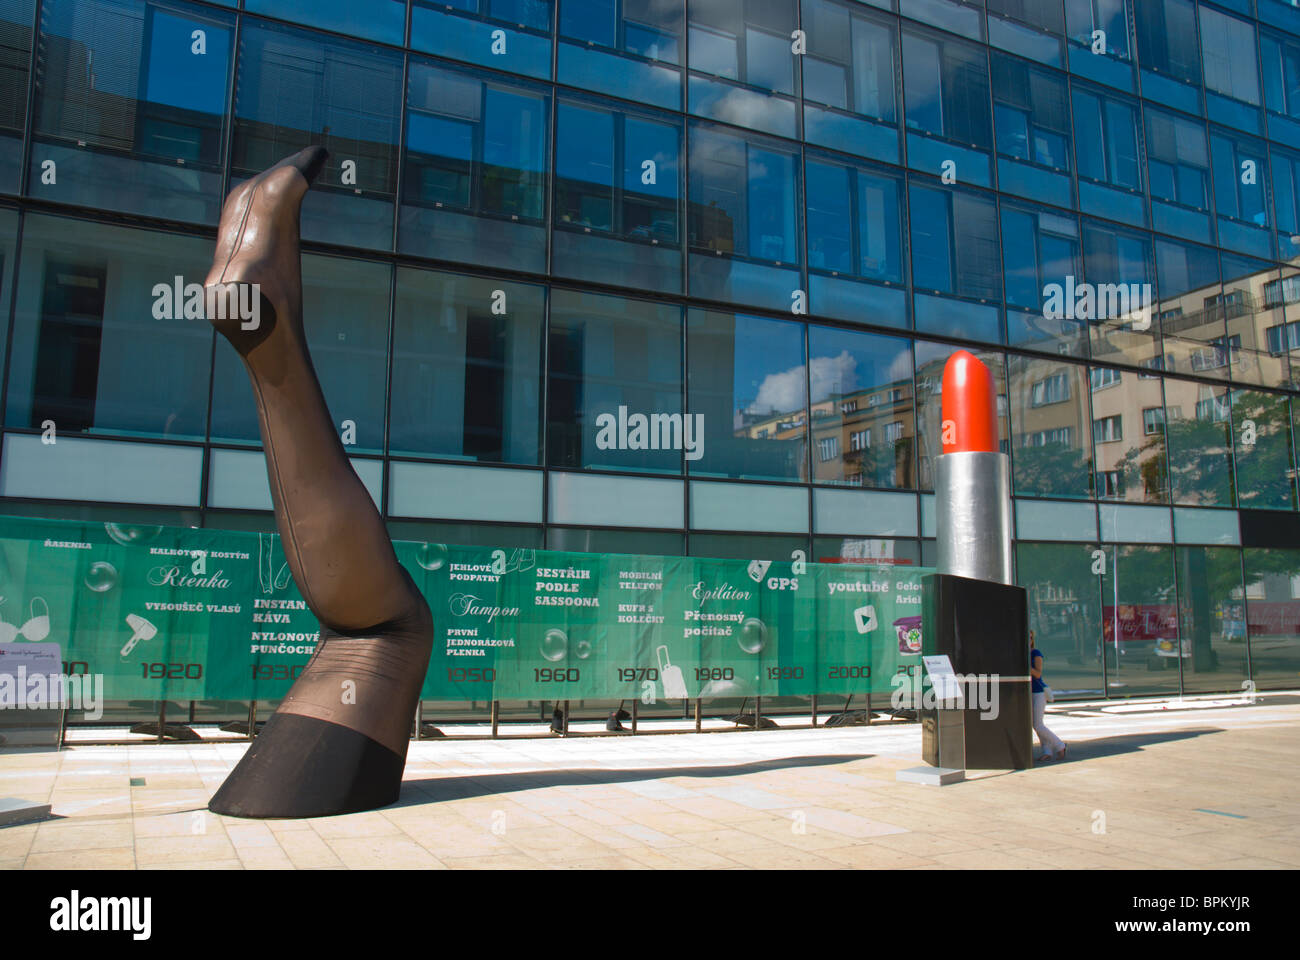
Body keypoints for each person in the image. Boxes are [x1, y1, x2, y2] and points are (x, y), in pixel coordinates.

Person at [205, 146, 434, 818]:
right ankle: (274, 325)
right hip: (332, 719)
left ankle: (273, 321)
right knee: (391, 625)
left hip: (325, 726)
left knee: (388, 624)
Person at [1029, 630, 1065, 762]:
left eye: (1031, 637)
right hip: (1029, 692)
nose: (1029, 639)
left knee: (1038, 725)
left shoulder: (1036, 653)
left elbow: (1038, 674)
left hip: (1038, 692)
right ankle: (1047, 751)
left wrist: (1027, 666)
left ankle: (1060, 745)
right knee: (1036, 724)